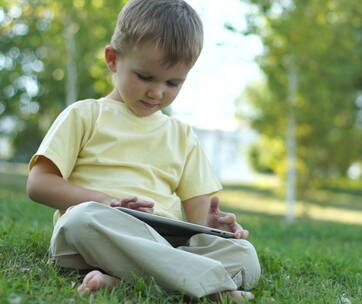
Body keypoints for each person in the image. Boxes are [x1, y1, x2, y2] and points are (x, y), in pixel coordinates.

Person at [25, 0, 260, 302]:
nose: (157, 92)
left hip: (162, 243)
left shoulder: (182, 135)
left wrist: (215, 226)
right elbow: (38, 185)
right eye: (145, 77)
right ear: (113, 59)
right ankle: (211, 287)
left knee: (244, 254)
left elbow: (200, 218)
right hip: (99, 233)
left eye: (173, 82)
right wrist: (107, 202)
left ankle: (122, 280)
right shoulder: (84, 115)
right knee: (78, 220)